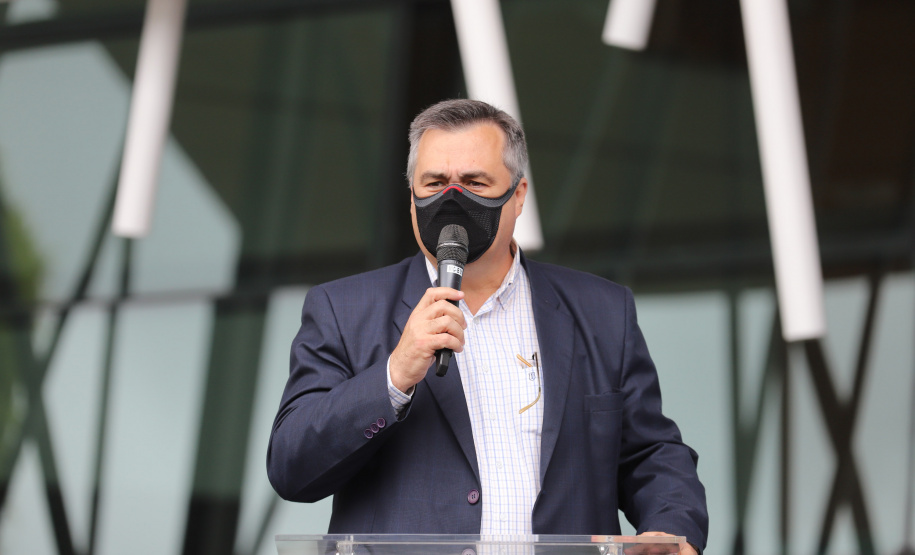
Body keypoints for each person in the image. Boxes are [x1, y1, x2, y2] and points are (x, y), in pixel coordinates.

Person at [267, 99, 708, 553]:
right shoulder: (343, 309)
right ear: (412, 197)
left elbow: (650, 452)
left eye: (475, 183)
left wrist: (669, 528)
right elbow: (291, 467)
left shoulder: (602, 311)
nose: (452, 200)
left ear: (518, 196)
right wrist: (394, 376)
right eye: (435, 183)